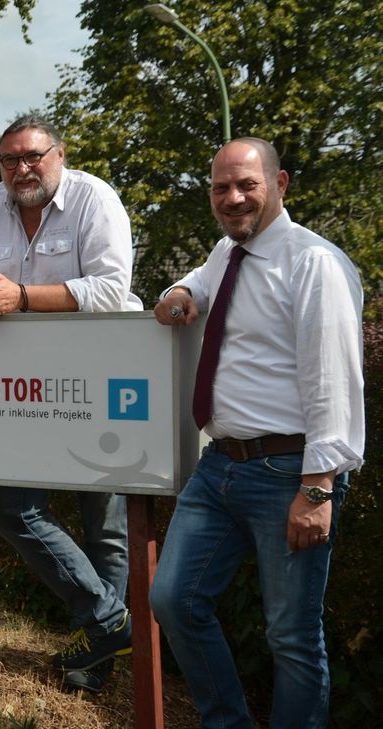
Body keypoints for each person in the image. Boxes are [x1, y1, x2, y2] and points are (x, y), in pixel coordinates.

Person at [150, 138, 363, 728]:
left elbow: (334, 384)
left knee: (291, 636)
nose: (233, 198)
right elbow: (199, 279)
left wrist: (317, 489)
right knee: (172, 600)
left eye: (247, 185)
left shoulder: (314, 264)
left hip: (290, 474)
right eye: (221, 188)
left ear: (281, 183)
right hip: (219, 467)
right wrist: (180, 294)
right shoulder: (226, 253)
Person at [0, 114, 141, 692]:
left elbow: (110, 289)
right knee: (7, 507)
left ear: (59, 153)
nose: (21, 169)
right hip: (22, 394)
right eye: (9, 160)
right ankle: (107, 621)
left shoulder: (94, 199)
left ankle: (93, 661)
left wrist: (20, 297)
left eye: (32, 156)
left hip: (101, 385)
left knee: (105, 526)